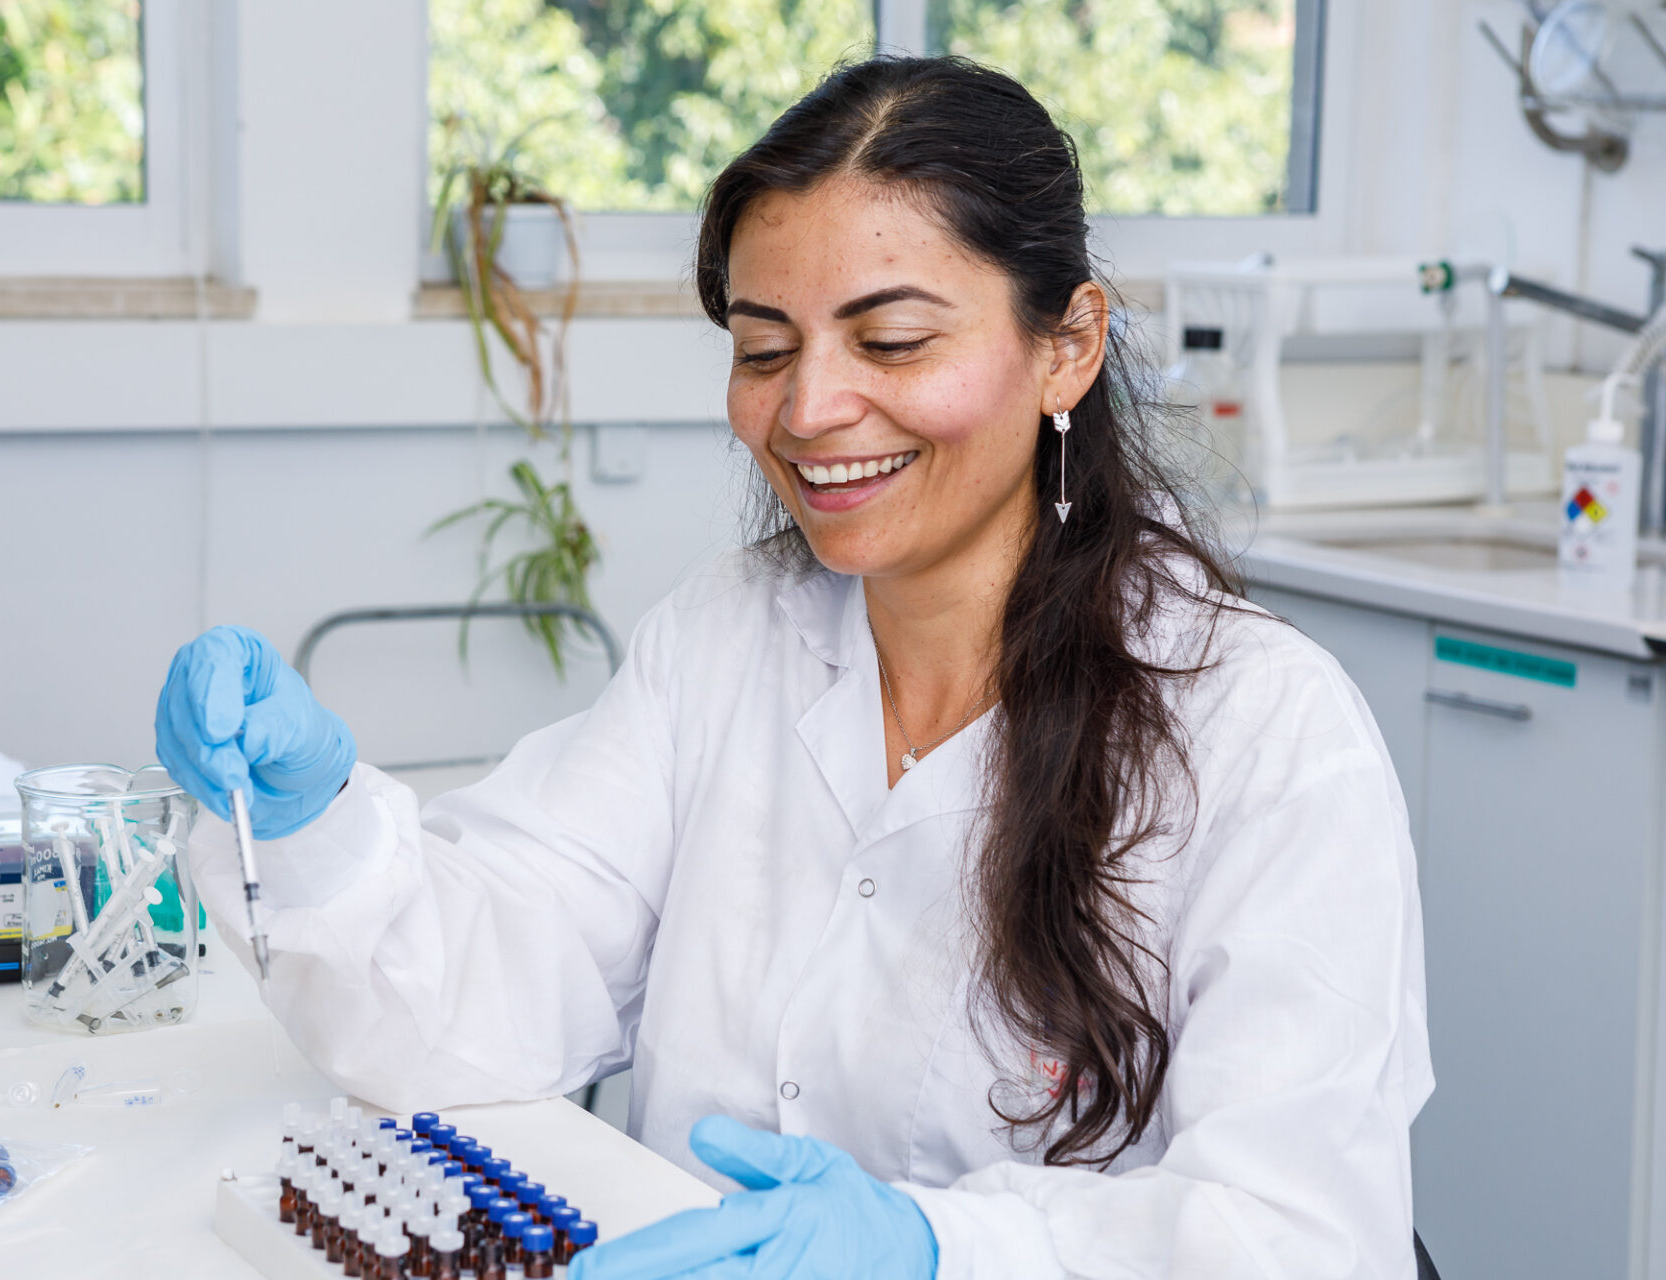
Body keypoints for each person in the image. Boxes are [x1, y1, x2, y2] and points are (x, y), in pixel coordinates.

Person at [156, 57, 1430, 1280]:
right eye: (765, 349)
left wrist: (945, 1253)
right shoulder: (726, 640)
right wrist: (310, 818)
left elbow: (1297, 1235)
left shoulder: (1264, 732)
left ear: (1069, 344)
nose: (808, 407)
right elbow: (482, 990)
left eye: (889, 341)